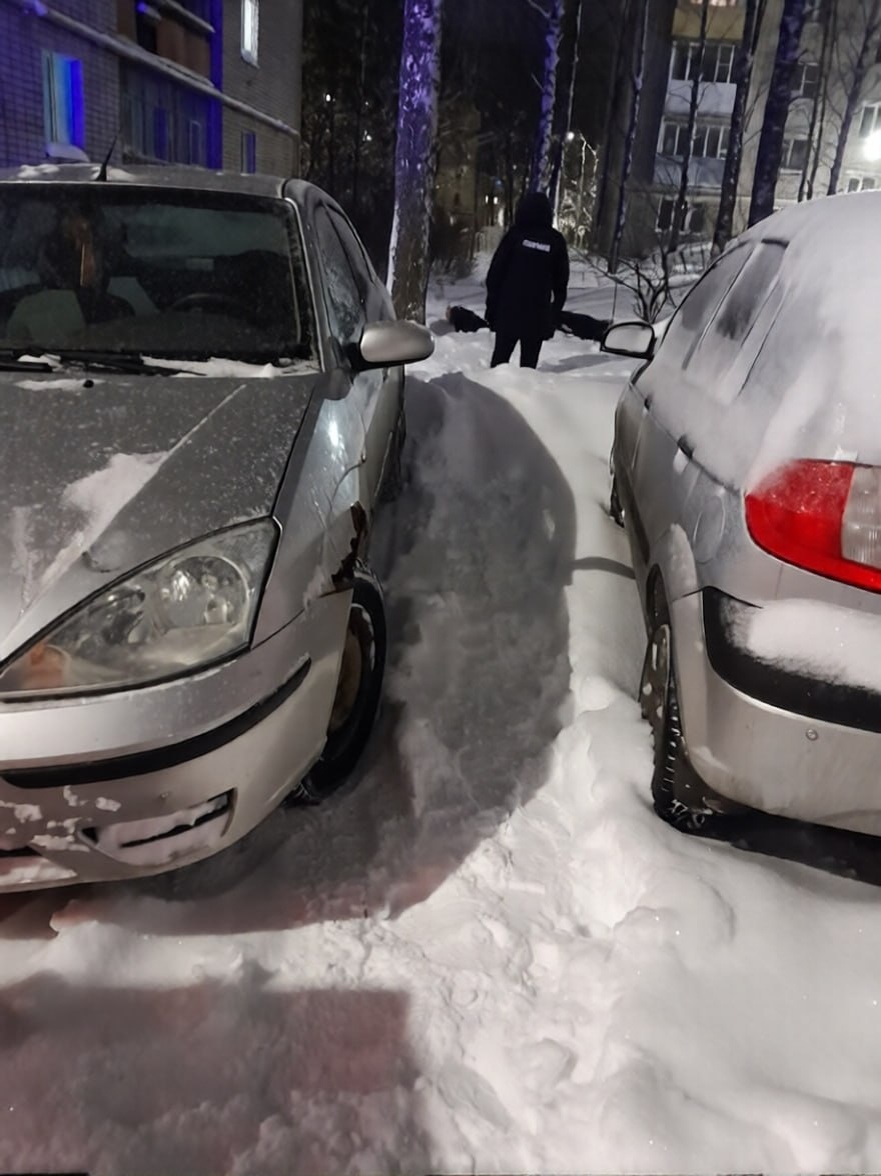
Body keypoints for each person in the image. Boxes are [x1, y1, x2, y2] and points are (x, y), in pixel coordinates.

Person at [485, 191, 569, 369]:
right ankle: (525, 388)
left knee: (499, 362)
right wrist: (552, 315)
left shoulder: (514, 235)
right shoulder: (555, 240)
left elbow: (495, 274)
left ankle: (491, 386)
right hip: (537, 314)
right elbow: (561, 284)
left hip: (508, 311)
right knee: (529, 367)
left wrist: (492, 308)